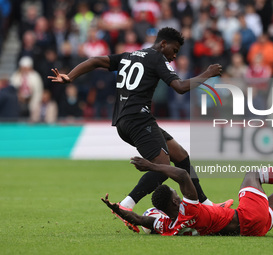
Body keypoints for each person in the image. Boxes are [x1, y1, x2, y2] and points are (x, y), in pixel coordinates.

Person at [48, 27, 223, 233]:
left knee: (180, 155)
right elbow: (180, 87)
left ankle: (205, 204)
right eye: (174, 50)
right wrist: (208, 74)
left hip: (126, 120)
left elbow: (95, 60)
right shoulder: (157, 59)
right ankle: (126, 205)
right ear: (163, 44)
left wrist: (71, 76)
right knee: (163, 166)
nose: (174, 55)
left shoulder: (129, 55)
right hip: (138, 119)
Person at [102, 155, 273, 236]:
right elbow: (183, 174)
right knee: (252, 174)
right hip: (247, 216)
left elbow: (140, 220)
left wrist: (117, 208)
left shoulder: (167, 225)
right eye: (176, 194)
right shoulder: (189, 208)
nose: (179, 194)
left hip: (254, 230)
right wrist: (151, 166)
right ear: (175, 201)